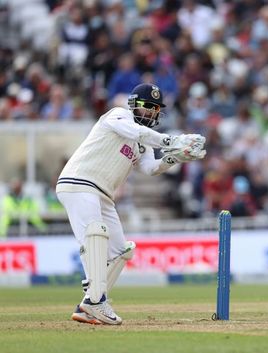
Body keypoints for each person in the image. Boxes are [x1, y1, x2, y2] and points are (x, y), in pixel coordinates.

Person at [56, 83, 206, 325]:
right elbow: (136, 132)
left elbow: (150, 168)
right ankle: (96, 300)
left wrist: (175, 157)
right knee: (96, 233)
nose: (150, 112)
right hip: (79, 182)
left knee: (122, 251)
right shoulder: (118, 115)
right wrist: (171, 140)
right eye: (147, 106)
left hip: (103, 194)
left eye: (155, 109)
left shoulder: (144, 142)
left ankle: (89, 304)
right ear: (134, 104)